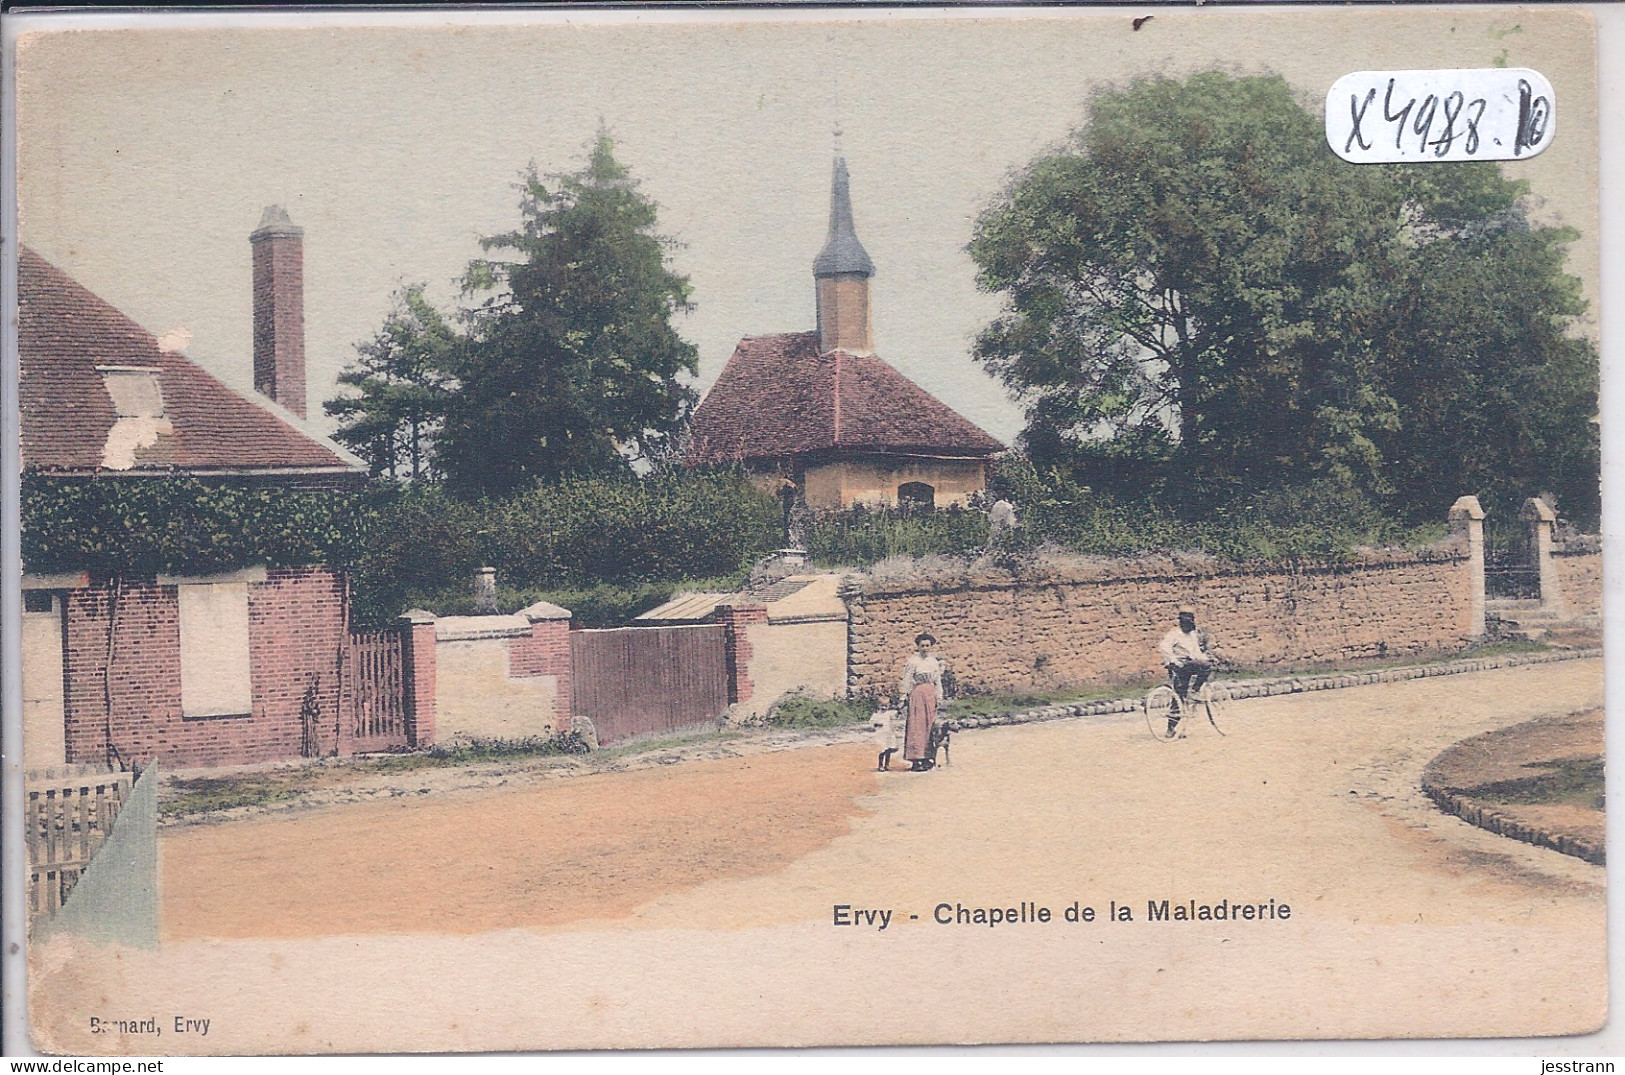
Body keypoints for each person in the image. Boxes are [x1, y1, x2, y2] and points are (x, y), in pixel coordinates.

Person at [1157, 605, 1213, 738]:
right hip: (1179, 666)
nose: (1188, 624)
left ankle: (1194, 690)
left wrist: (1206, 659)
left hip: (1190, 664)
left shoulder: (1192, 635)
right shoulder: (1174, 634)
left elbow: (1196, 653)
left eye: (1190, 621)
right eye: (1185, 621)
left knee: (1206, 666)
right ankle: (1171, 728)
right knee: (1178, 696)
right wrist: (1173, 661)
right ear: (1181, 622)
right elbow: (1164, 647)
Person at [897, 632, 946, 771]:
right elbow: (906, 680)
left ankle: (927, 757)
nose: (925, 648)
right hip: (917, 695)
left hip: (930, 695)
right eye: (922, 645)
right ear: (917, 646)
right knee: (917, 726)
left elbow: (937, 681)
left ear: (931, 647)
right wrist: (903, 697)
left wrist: (939, 697)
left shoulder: (933, 662)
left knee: (929, 726)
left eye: (927, 646)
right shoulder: (913, 662)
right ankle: (915, 759)